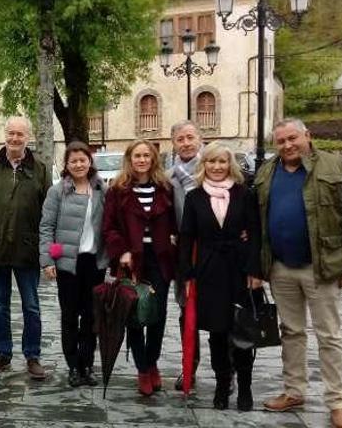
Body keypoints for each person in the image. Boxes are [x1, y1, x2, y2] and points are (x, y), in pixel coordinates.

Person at [255, 118, 342, 428]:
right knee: (291, 332)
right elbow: (254, 220)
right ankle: (294, 391)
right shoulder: (266, 172)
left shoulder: (337, 167)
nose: (287, 145)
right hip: (280, 268)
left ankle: (337, 402)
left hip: (323, 269)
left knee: (329, 336)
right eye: (280, 141)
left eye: (292, 138)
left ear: (307, 136)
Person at [176, 142, 262, 411]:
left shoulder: (244, 194)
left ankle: (245, 387)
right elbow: (186, 238)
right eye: (211, 162)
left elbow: (256, 234)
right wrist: (186, 275)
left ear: (230, 165)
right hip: (209, 272)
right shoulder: (194, 197)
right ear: (204, 165)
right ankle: (222, 385)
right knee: (216, 334)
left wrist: (255, 271)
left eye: (222, 162)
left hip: (239, 270)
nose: (216, 167)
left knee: (243, 332)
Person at [0, 116, 52, 379]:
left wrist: (43, 250)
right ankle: (2, 354)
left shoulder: (39, 169)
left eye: (20, 134)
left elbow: (48, 215)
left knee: (31, 306)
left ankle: (32, 356)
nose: (15, 138)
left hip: (27, 252)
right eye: (10, 133)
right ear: (4, 134)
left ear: (27, 137)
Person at [102, 139, 176, 396]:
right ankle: (142, 368)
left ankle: (153, 361)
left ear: (153, 158)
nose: (142, 160)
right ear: (130, 159)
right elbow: (108, 226)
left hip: (160, 259)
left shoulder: (165, 187)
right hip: (131, 259)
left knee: (158, 314)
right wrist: (120, 250)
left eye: (146, 155)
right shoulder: (117, 189)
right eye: (137, 156)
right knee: (133, 315)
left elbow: (176, 221)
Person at [38, 141, 108, 388]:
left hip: (94, 263)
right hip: (68, 264)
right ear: (67, 165)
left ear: (90, 161)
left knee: (91, 317)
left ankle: (87, 364)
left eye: (83, 159)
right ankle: (73, 366)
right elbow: (47, 228)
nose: (79, 164)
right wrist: (49, 259)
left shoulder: (101, 189)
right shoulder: (57, 192)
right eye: (73, 160)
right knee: (69, 316)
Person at [165, 120, 204, 391]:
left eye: (190, 137)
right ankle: (189, 367)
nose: (186, 143)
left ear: (200, 139)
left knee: (220, 311)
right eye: (181, 139)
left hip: (215, 253)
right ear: (174, 144)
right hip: (184, 254)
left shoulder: (214, 168)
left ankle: (228, 371)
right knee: (185, 310)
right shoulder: (168, 179)